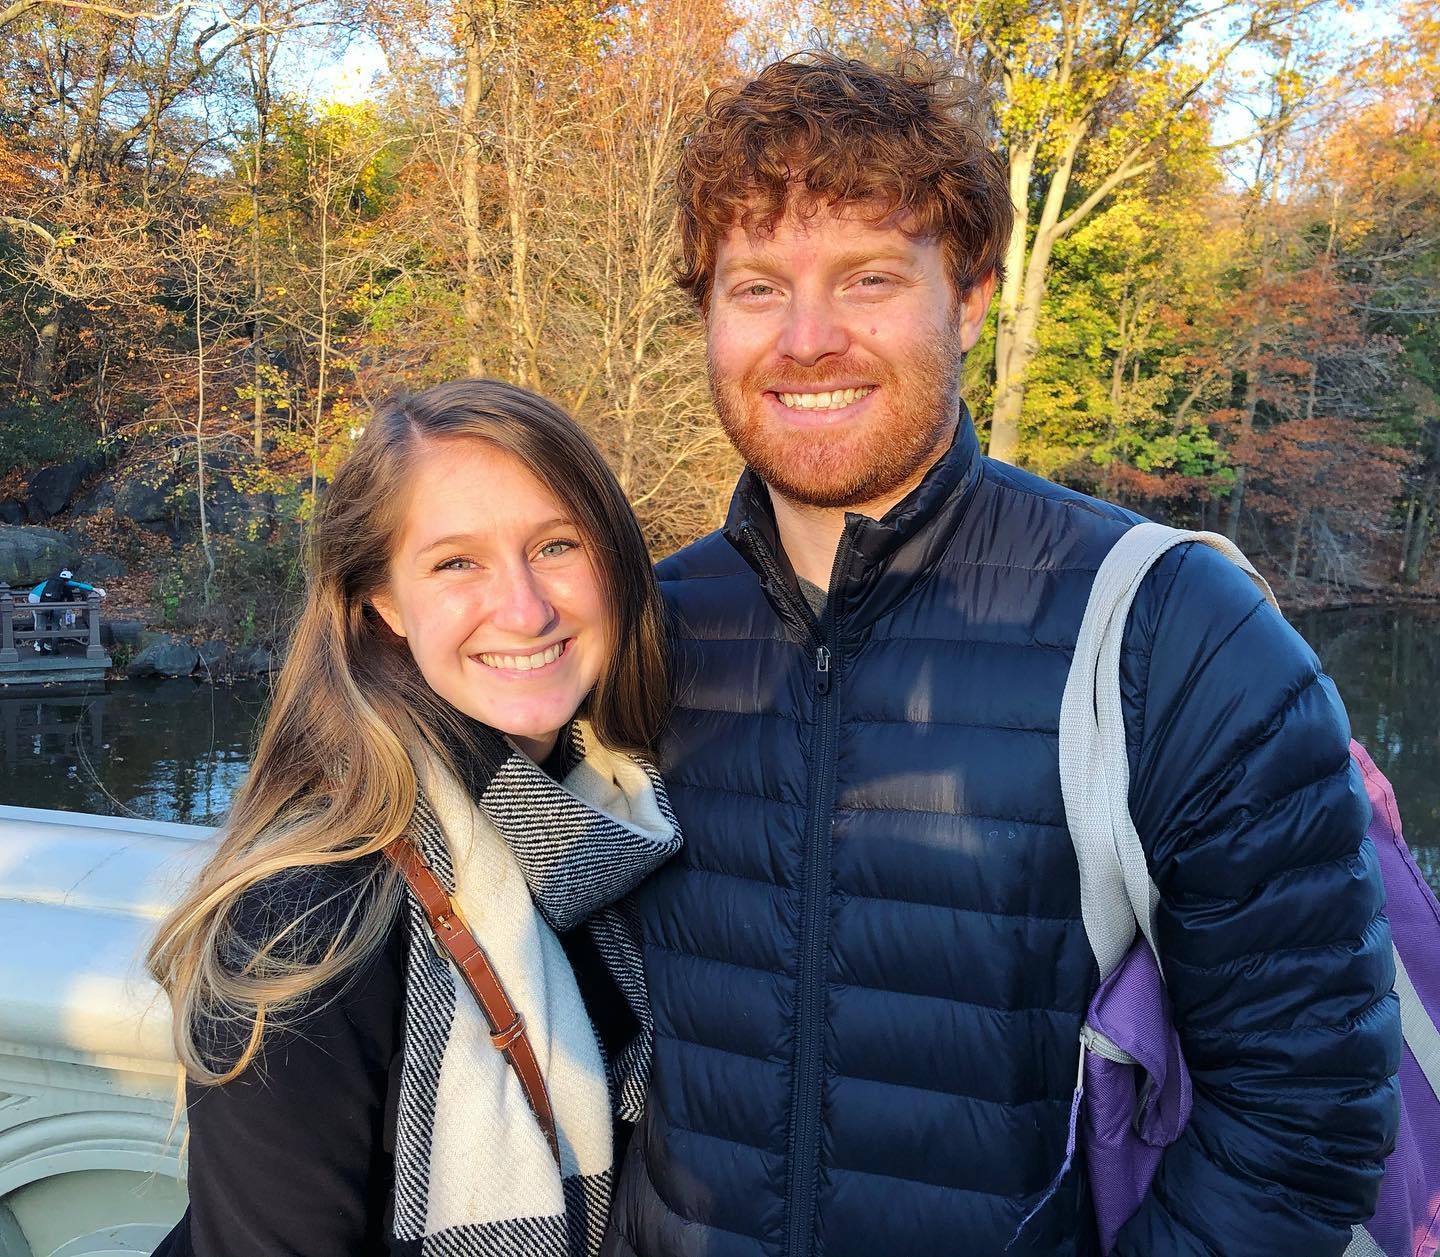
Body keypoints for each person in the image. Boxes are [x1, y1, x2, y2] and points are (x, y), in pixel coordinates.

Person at [602, 54, 1400, 1257]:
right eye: (757, 287)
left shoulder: (1171, 634)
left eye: (868, 278)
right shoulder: (636, 637)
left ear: (971, 296)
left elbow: (1304, 1119)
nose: (807, 339)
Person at [147, 379, 679, 1257]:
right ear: (383, 602)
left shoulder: (619, 826)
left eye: (555, 545)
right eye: (456, 563)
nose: (525, 608)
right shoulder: (302, 922)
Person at [27, 568, 104, 652]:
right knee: (43, 621)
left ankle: (40, 643)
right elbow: (79, 585)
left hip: (34, 596)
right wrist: (95, 589)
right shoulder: (65, 582)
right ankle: (39, 644)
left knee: (39, 620)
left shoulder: (51, 581)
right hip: (39, 598)